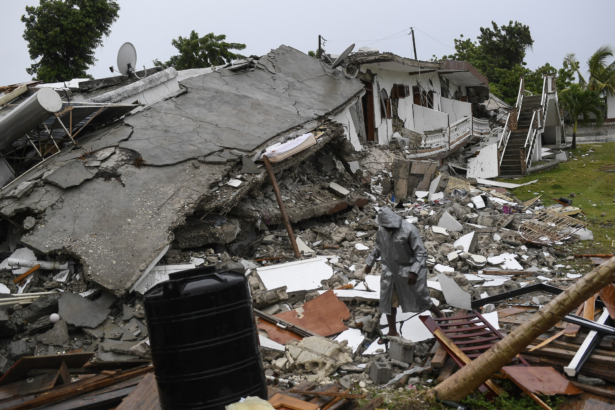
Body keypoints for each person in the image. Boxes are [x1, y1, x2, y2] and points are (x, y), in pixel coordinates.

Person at [363, 208, 444, 341]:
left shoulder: (409, 230)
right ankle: (392, 331)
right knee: (388, 301)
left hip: (408, 270)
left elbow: (421, 253)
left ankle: (439, 314)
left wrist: (414, 271)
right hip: (390, 271)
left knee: (420, 296)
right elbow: (378, 246)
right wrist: (370, 262)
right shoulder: (382, 230)